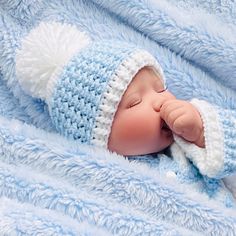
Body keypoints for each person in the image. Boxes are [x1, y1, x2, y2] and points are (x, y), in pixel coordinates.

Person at [16, 21, 236, 203]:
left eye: (161, 89)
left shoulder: (185, 144)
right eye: (135, 102)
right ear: (100, 139)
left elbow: (227, 150)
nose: (160, 101)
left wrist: (200, 131)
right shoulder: (105, 179)